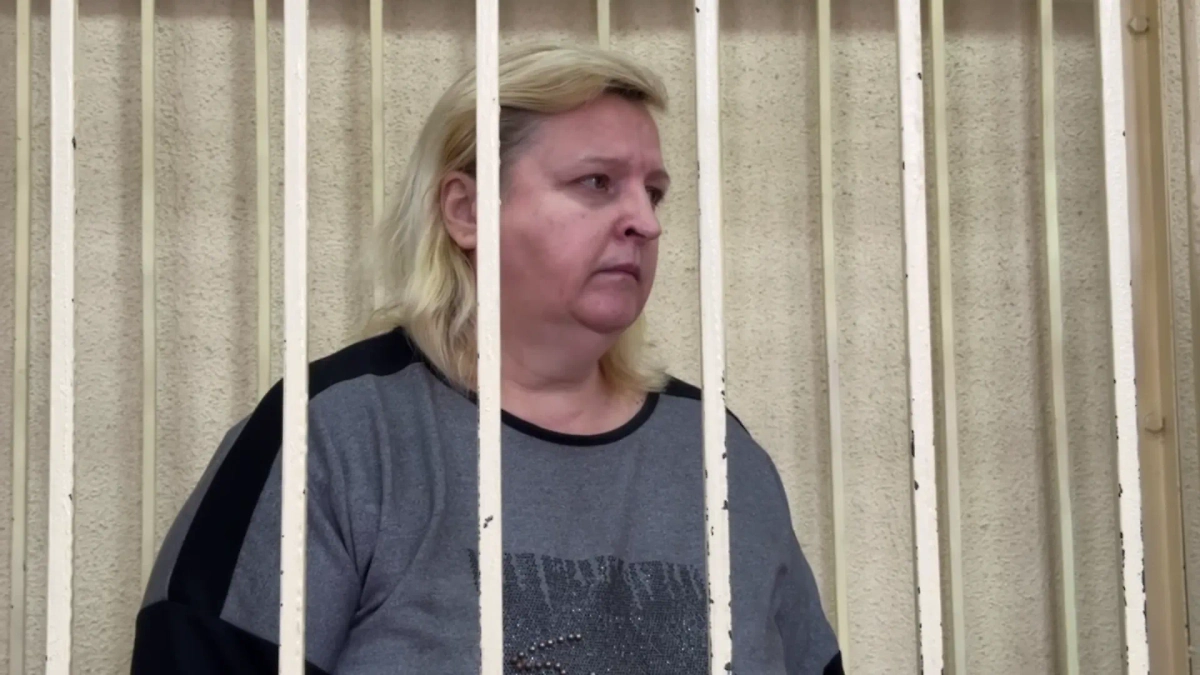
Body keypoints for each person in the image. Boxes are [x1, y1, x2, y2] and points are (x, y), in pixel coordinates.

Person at [130, 43, 842, 675]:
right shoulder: (336, 436)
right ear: (466, 212)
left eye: (653, 192)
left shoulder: (718, 453)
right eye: (597, 182)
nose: (645, 221)